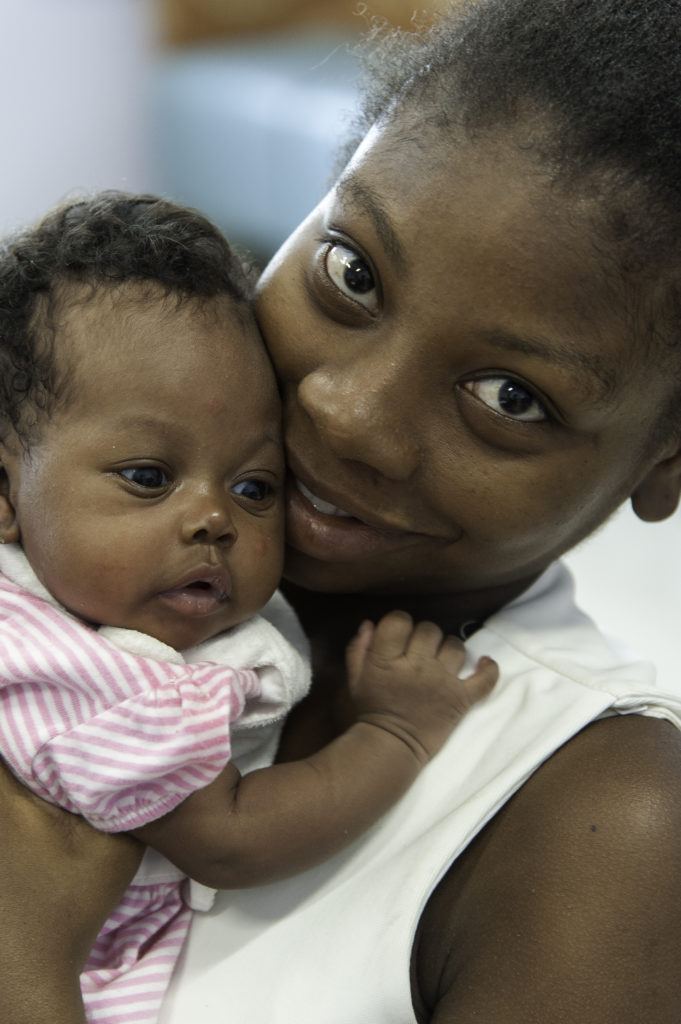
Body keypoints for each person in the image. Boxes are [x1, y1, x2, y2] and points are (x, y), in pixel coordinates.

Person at [2, 0, 681, 1021]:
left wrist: (19, 950)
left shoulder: (609, 824)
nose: (346, 412)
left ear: (665, 464)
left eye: (509, 397)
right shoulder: (74, 512)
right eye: (352, 273)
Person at [0, 192, 496, 1024]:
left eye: (254, 487)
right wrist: (397, 734)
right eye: (147, 478)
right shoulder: (96, 678)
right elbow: (228, 837)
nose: (212, 519)